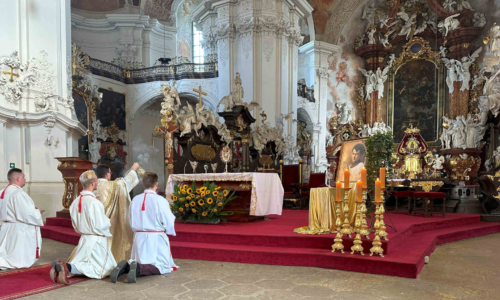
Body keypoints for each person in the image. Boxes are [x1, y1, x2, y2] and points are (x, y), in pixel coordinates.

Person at [50, 170, 116, 284]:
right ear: (92, 183)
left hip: (84, 238)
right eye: (96, 181)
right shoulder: (95, 203)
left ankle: (65, 267)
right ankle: (67, 267)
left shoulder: (75, 202)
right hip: (96, 240)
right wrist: (109, 222)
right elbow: (101, 224)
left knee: (86, 263)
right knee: (105, 270)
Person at [111, 172, 178, 283]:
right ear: (156, 184)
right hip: (156, 239)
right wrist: (168, 230)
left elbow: (130, 219)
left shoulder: (135, 200)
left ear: (143, 184)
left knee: (139, 260)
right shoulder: (160, 200)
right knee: (162, 266)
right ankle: (137, 268)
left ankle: (127, 267)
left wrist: (138, 231)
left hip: (139, 237)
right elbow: (168, 220)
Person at [90, 163, 142, 263]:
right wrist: (133, 169)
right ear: (107, 175)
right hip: (111, 223)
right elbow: (126, 182)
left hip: (96, 224)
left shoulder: (93, 187)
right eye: (110, 172)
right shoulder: (115, 185)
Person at [0, 168, 44, 269]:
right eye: (23, 177)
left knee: (8, 250)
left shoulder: (3, 192)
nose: (25, 179)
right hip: (18, 228)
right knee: (17, 254)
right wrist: (38, 211)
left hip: (8, 225)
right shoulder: (18, 194)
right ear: (18, 178)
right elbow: (28, 214)